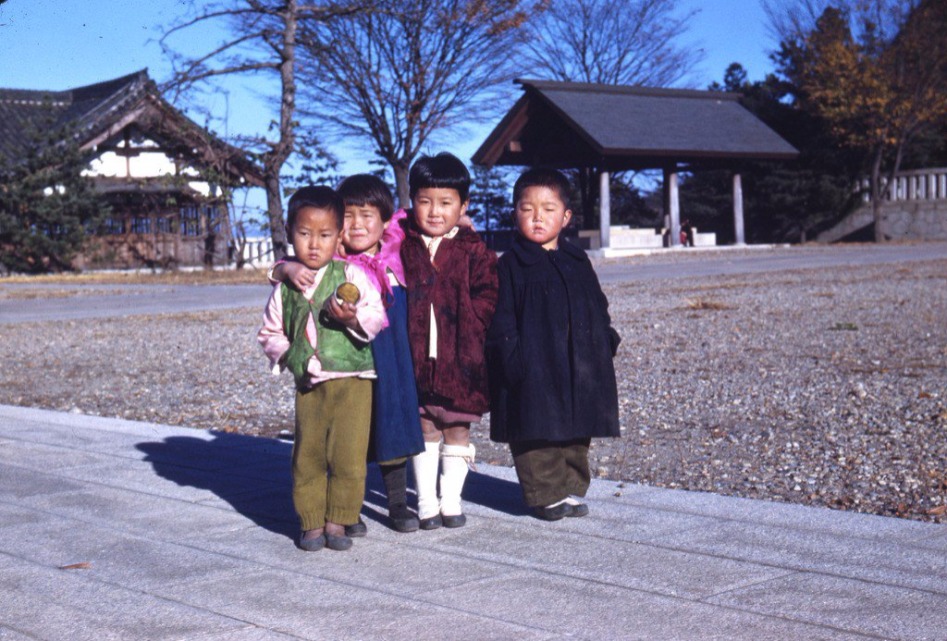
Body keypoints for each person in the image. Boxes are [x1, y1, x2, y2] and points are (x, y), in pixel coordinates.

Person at [272, 175, 426, 534]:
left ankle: (397, 501)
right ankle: (347, 510)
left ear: (384, 222)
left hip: (389, 352)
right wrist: (284, 267)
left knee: (392, 420)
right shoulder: (334, 258)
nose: (357, 225)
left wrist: (462, 224)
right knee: (349, 435)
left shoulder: (396, 251)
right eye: (349, 216)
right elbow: (287, 266)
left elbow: (415, 219)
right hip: (344, 358)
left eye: (367, 215)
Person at [487, 167, 621, 521]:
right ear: (515, 212)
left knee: (577, 428)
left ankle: (571, 487)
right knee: (537, 429)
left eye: (548, 210)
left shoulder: (577, 261)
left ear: (565, 217)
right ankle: (544, 493)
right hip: (533, 362)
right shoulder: (510, 265)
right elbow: (500, 317)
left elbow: (598, 303)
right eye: (527, 209)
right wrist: (512, 358)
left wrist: (606, 338)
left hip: (579, 360)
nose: (537, 218)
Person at [257, 185, 386, 551]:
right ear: (289, 233)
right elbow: (269, 332)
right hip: (310, 385)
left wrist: (353, 317)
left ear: (340, 235)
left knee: (348, 454)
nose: (314, 245)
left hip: (354, 381)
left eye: (325, 235)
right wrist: (291, 356)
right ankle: (311, 521)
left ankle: (339, 520)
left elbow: (376, 317)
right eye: (304, 234)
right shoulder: (285, 288)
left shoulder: (352, 276)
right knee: (308, 453)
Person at [399, 152, 498, 529]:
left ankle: (451, 500)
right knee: (424, 428)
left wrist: (473, 324)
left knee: (457, 428)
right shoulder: (404, 247)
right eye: (424, 202)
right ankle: (426, 501)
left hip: (462, 362)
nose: (435, 212)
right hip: (417, 360)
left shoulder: (475, 250)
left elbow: (489, 295)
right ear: (412, 203)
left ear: (463, 205)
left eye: (446, 203)